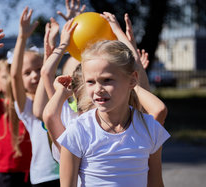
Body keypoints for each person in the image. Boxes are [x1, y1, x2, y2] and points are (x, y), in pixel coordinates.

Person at [56, 12, 170, 187]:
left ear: (132, 80)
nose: (98, 89)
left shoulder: (149, 128)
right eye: (91, 82)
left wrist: (123, 38)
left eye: (107, 80)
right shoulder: (78, 131)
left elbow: (156, 182)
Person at [10, 7, 60, 186]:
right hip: (43, 175)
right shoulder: (25, 105)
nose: (34, 75)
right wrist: (22, 37)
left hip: (68, 170)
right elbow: (14, 75)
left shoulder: (57, 96)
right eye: (27, 72)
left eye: (38, 69)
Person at [0, 22, 32, 187]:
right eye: (5, 76)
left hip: (30, 171)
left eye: (13, 74)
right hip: (6, 174)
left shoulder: (28, 103)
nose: (11, 79)